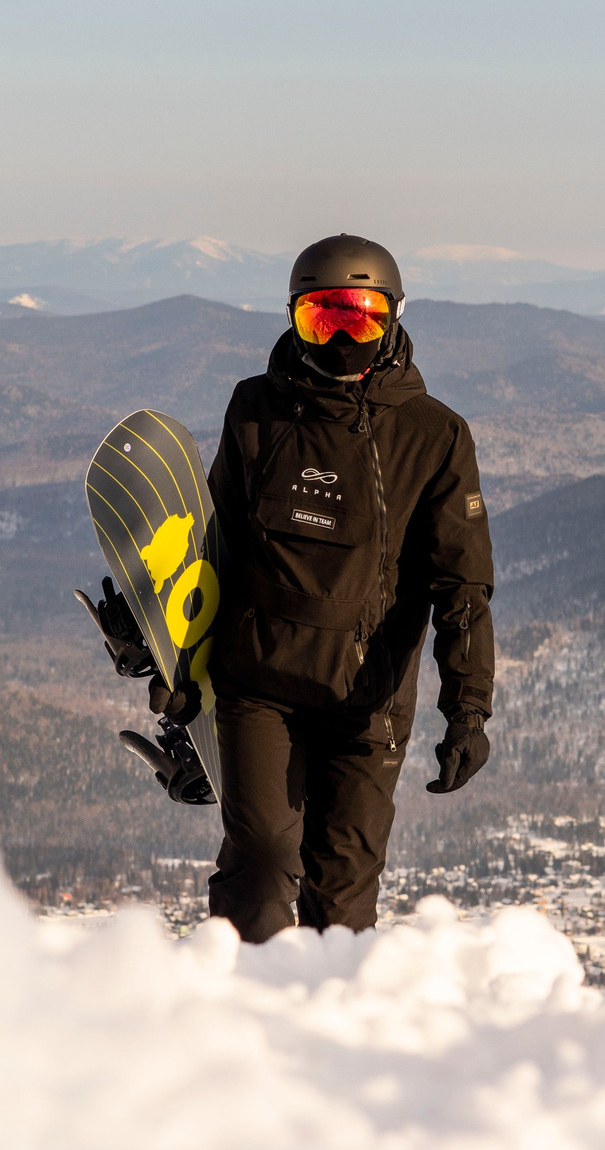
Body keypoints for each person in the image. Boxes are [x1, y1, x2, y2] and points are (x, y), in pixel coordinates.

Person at [196, 233, 497, 942]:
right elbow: (215, 552)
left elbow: (462, 587)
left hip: (368, 705)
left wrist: (470, 712)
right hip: (259, 687)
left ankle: (322, 1041)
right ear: (292, 318)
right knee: (262, 866)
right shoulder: (255, 411)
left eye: (358, 316)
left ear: (392, 318)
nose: (339, 336)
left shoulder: (434, 436)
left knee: (343, 906)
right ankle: (244, 1019)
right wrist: (185, 686)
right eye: (320, 317)